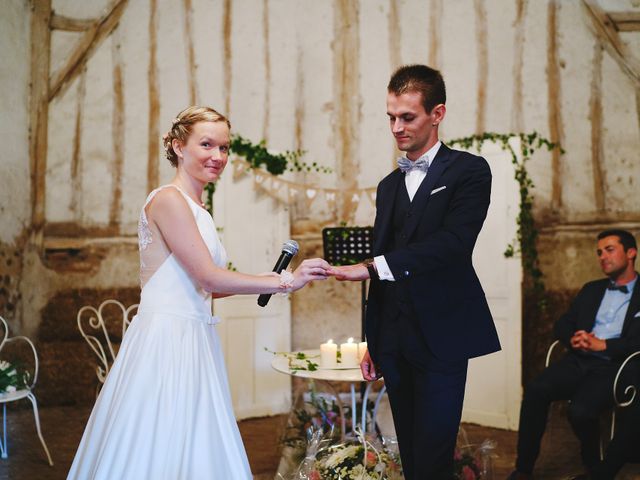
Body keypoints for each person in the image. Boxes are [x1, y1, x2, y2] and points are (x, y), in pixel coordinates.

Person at [67, 106, 330, 479]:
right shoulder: (169, 200)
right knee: (158, 442)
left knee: (197, 441)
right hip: (167, 341)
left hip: (195, 336)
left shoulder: (200, 210)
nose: (218, 156)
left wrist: (258, 282)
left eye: (224, 147)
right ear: (178, 146)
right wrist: (285, 280)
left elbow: (204, 289)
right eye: (207, 144)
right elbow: (209, 277)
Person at [328, 64, 501, 479]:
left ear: (437, 114)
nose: (396, 127)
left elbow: (453, 244)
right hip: (396, 340)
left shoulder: (469, 171)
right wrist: (375, 340)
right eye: (391, 116)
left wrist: (370, 267)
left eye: (407, 117)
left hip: (442, 336)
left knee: (434, 456)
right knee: (410, 452)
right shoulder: (389, 187)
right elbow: (384, 255)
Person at [508, 229, 640, 480]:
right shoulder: (591, 289)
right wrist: (574, 338)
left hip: (615, 367)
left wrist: (604, 346)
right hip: (578, 360)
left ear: (631, 252)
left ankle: (593, 464)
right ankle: (523, 468)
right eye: (599, 252)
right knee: (536, 389)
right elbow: (563, 323)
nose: (602, 256)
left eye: (609, 249)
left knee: (580, 411)